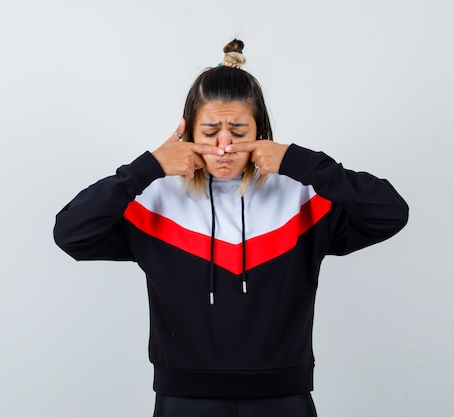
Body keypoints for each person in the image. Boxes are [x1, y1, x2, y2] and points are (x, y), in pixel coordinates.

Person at [53, 39, 409, 417]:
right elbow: (71, 233)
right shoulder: (153, 202)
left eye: (238, 132)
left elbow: (389, 212)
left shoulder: (301, 200)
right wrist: (148, 167)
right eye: (210, 132)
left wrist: (302, 163)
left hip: (282, 397)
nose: (224, 147)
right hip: (183, 399)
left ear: (261, 133)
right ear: (187, 133)